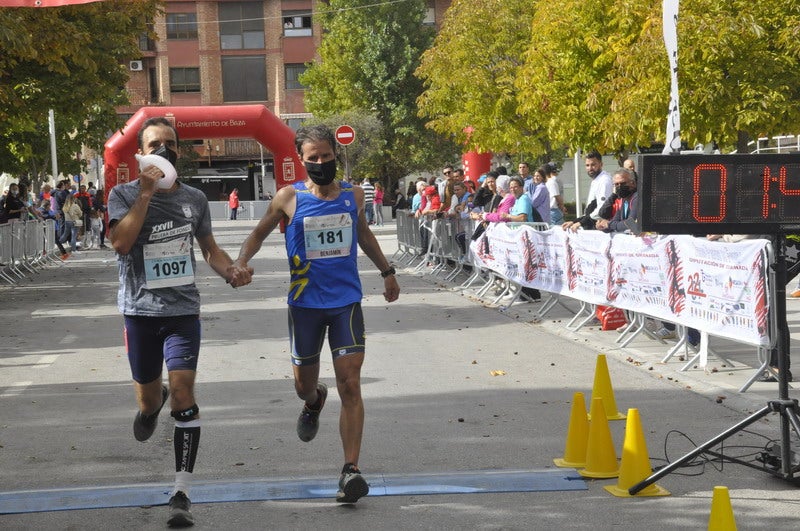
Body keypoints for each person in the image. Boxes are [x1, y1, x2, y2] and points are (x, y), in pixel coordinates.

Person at [231, 124, 400, 505]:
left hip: (346, 304)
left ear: (334, 157)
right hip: (305, 306)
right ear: (302, 160)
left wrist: (387, 272)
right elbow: (258, 234)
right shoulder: (289, 198)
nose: (321, 162)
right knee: (303, 385)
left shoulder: (354, 196)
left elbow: (364, 235)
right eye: (314, 158)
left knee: (351, 384)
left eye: (326, 156)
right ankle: (313, 401)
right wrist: (241, 261)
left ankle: (350, 470)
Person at [107, 116, 251, 527]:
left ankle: (181, 491)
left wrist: (232, 270)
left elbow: (209, 249)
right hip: (140, 311)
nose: (164, 151)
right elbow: (121, 243)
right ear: (141, 153)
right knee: (149, 400)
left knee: (185, 393)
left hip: (183, 312)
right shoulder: (122, 194)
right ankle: (153, 406)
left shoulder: (195, 199)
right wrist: (147, 193)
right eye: (154, 145)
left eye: (170, 144)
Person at [562, 150, 613, 232]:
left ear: (601, 164)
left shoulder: (604, 181)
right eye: (587, 165)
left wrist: (581, 223)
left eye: (593, 165)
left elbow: (602, 210)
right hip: (593, 226)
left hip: (601, 228)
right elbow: (590, 209)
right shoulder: (596, 180)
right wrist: (574, 221)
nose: (590, 168)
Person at [595, 168, 640, 234]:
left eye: (623, 183)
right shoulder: (623, 200)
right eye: (616, 184)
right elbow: (615, 222)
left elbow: (631, 224)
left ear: (633, 183)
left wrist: (609, 224)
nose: (619, 187)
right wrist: (603, 226)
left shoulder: (637, 198)